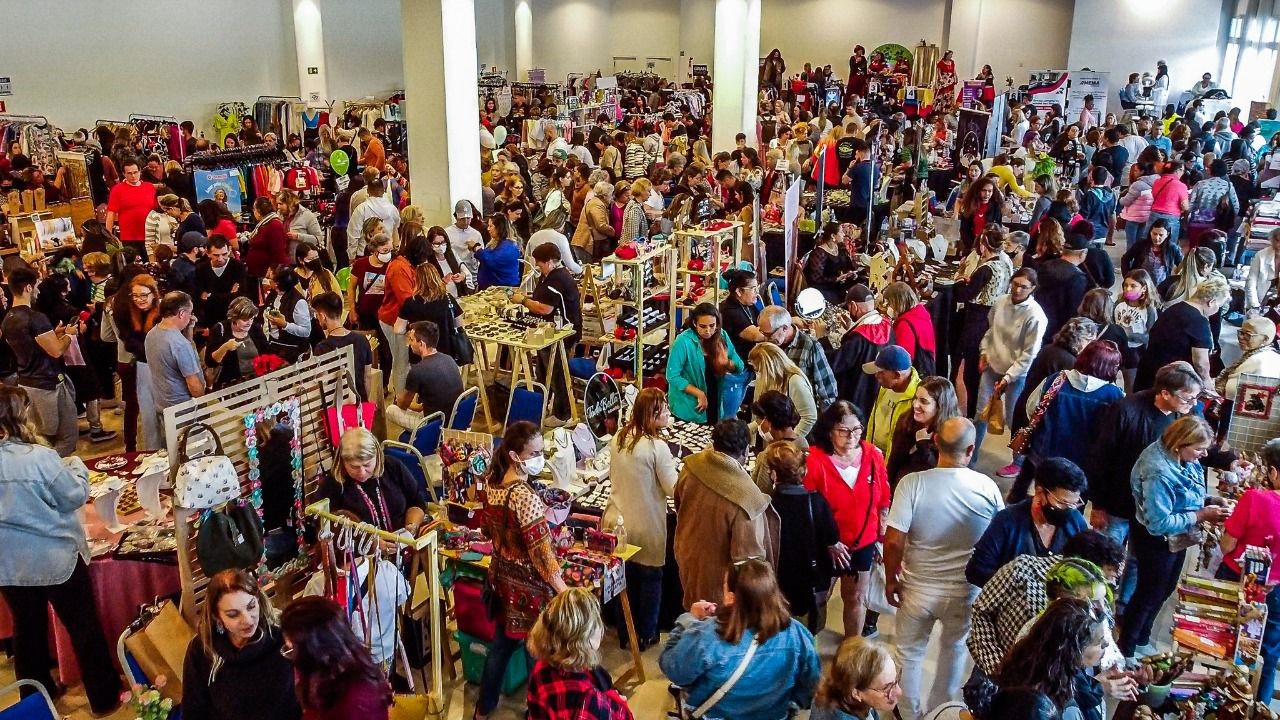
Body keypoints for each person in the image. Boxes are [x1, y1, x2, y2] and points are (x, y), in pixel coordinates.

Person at [0, 386, 123, 714]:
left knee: (27, 631)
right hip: (55, 558)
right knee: (83, 626)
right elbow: (73, 496)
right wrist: (77, 467)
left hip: (9, 565)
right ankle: (104, 697)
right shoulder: (39, 459)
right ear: (20, 416)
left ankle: (35, 701)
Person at [884, 417, 1003, 720]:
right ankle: (940, 710)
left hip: (917, 588)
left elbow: (894, 540)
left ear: (935, 441)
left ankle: (908, 713)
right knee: (954, 650)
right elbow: (997, 539)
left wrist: (891, 578)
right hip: (965, 592)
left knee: (909, 653)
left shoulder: (912, 484)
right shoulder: (987, 488)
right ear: (971, 449)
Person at [476, 422, 570, 719]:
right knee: (537, 656)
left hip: (502, 581)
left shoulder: (492, 484)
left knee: (501, 647)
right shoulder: (524, 497)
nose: (540, 458)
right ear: (516, 456)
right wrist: (564, 590)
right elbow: (542, 554)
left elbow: (486, 529)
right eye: (534, 453)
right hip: (531, 590)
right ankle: (538, 711)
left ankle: (482, 710)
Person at [1119, 416, 1232, 658]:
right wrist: (1201, 515)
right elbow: (1158, 522)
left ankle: (1142, 636)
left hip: (1178, 536)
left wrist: (1209, 501)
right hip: (1155, 539)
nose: (1204, 455)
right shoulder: (1157, 471)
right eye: (1199, 449)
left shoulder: (1183, 458)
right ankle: (1126, 648)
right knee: (1148, 593)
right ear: (1180, 443)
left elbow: (1184, 495)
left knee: (1165, 588)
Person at [660, 559, 821, 719]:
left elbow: (675, 671)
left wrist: (689, 619)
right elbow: (810, 682)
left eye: (724, 586)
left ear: (731, 597)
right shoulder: (797, 632)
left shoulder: (707, 635)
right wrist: (791, 705)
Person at [968, 531, 1126, 690]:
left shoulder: (1098, 596)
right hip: (998, 680)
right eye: (1104, 577)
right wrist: (998, 666)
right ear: (1079, 568)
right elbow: (981, 611)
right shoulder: (1022, 570)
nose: (1101, 606)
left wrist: (1101, 681)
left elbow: (1101, 646)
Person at [805, 401, 891, 639]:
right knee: (818, 597)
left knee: (855, 598)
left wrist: (881, 538)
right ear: (829, 431)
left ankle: (852, 648)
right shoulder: (814, 460)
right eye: (844, 431)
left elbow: (883, 499)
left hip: (863, 541)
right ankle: (809, 645)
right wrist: (830, 542)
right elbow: (809, 510)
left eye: (857, 429)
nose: (852, 436)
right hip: (826, 546)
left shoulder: (872, 455)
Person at [601, 388, 676, 649]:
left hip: (617, 520)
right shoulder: (657, 448)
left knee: (625, 581)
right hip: (647, 525)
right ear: (652, 415)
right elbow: (673, 488)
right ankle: (646, 633)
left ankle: (625, 632)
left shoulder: (619, 438)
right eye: (664, 410)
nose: (668, 413)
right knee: (650, 580)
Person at [675, 418, 773, 608]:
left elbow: (679, 504)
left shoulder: (691, 467)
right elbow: (749, 562)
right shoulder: (747, 497)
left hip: (688, 560)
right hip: (720, 587)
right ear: (746, 451)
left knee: (694, 611)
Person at [182, 569, 299, 720]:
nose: (248, 620)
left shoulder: (282, 636)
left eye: (251, 606)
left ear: (258, 599)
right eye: (233, 614)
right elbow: (193, 711)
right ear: (217, 616)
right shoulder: (202, 649)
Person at [1216, 438, 1280, 700]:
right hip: (1277, 591)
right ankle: (1260, 706)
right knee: (1269, 653)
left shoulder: (1255, 499)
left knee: (1223, 641)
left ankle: (1220, 698)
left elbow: (1227, 545)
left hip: (1238, 579)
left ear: (1273, 472)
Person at [967, 457, 1090, 587]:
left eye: (1074, 504)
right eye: (1062, 502)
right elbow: (976, 571)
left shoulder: (1076, 521)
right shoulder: (1007, 522)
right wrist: (1021, 587)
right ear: (1040, 492)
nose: (1069, 509)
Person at [1, 267, 81, 456]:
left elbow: (29, 344)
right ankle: (51, 466)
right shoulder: (35, 317)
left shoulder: (7, 319)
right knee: (64, 437)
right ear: (28, 287)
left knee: (43, 436)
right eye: (36, 285)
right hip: (47, 384)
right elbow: (56, 351)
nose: (37, 290)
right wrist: (69, 335)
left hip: (27, 381)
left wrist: (55, 334)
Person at [764, 440, 839, 630]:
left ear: (774, 474)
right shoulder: (817, 502)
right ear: (803, 471)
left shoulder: (767, 506)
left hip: (779, 584)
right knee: (807, 633)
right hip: (811, 583)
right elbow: (832, 537)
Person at [972, 267, 1047, 456]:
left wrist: (1008, 378)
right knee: (981, 413)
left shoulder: (1035, 315)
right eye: (1015, 284)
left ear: (1033, 288)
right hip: (992, 365)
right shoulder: (1000, 302)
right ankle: (970, 456)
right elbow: (991, 331)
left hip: (1017, 373)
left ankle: (1018, 461)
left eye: (1023, 287)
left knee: (1014, 418)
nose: (1017, 290)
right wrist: (984, 352)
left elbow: (1029, 354)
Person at [526, 589, 634, 720]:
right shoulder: (588, 702)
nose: (601, 627)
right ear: (585, 639)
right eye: (596, 622)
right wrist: (617, 705)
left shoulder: (541, 667)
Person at [279, 596, 392, 720]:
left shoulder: (355, 702)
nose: (292, 658)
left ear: (317, 650)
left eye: (293, 648)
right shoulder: (325, 673)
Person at [995, 598, 1108, 720]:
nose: (1106, 644)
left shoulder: (1025, 661)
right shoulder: (1056, 707)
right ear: (1074, 651)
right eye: (1099, 642)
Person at [510, 242, 582, 422]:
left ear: (549, 262)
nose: (537, 266)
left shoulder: (557, 280)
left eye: (539, 263)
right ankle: (541, 406)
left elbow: (545, 308)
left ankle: (562, 414)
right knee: (543, 373)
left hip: (562, 334)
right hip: (551, 332)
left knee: (557, 374)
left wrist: (523, 300)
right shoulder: (551, 275)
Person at [318, 427, 426, 535]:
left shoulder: (392, 466)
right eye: (354, 467)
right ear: (342, 462)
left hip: (404, 541)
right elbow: (324, 527)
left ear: (377, 455)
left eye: (367, 465)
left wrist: (412, 526)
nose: (362, 473)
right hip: (360, 545)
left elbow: (417, 501)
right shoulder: (334, 484)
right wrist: (372, 542)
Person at [955, 228, 1014, 414]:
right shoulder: (1005, 265)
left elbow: (964, 295)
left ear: (982, 246)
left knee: (970, 369)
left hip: (977, 320)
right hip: (995, 319)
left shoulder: (985, 269)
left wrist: (960, 278)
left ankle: (972, 410)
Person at [1135, 275, 1228, 389]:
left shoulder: (1174, 308)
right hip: (1168, 380)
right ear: (1211, 302)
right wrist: (1207, 382)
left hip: (1147, 370)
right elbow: (1200, 363)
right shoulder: (1199, 322)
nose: (1217, 310)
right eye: (1219, 306)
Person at [667, 303, 745, 424]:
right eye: (703, 326)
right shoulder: (683, 341)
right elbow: (672, 375)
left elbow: (739, 366)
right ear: (694, 323)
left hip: (714, 399)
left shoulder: (722, 335)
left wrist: (727, 363)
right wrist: (698, 393)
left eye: (712, 325)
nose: (708, 331)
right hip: (688, 405)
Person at [379, 233, 431, 395]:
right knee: (401, 361)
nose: (424, 262)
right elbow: (406, 300)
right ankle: (400, 398)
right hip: (393, 319)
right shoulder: (399, 268)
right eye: (423, 258)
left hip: (404, 319)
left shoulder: (408, 265)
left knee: (406, 361)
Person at [388, 320, 463, 433]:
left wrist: (398, 398)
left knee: (391, 410)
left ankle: (420, 436)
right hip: (455, 417)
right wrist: (417, 407)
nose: (409, 343)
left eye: (412, 339)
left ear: (421, 344)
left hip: (435, 424)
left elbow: (403, 405)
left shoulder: (417, 371)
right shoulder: (448, 359)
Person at [145, 291, 204, 430]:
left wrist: (189, 328)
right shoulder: (179, 344)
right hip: (184, 411)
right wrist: (202, 401)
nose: (192, 317)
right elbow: (193, 384)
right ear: (182, 313)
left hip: (163, 406)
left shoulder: (151, 334)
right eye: (190, 313)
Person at [887, 377, 961, 487]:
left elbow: (943, 475)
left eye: (924, 401)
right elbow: (894, 461)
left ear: (940, 406)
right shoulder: (906, 421)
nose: (915, 405)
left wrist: (923, 444)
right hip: (903, 487)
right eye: (915, 398)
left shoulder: (953, 433)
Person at [810, 637, 902, 720]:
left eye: (896, 680)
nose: (899, 692)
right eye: (887, 688)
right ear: (856, 693)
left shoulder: (836, 689)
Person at [863, 345, 921, 462]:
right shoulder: (885, 387)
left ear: (897, 375)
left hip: (893, 463)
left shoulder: (918, 397)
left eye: (881, 372)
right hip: (873, 456)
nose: (876, 375)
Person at [396, 262, 465, 362]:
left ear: (417, 280)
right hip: (446, 350)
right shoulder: (448, 298)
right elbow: (459, 323)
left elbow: (398, 329)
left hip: (420, 351)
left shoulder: (411, 302)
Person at [749, 342, 817, 441]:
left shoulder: (795, 381)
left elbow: (809, 417)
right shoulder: (768, 380)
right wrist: (746, 430)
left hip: (793, 444)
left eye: (759, 370)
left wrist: (789, 440)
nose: (758, 374)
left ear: (770, 367)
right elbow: (763, 418)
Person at [312, 292, 373, 401]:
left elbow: (322, 385)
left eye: (317, 315)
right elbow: (367, 377)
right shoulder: (362, 340)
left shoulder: (322, 348)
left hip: (337, 405)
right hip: (359, 402)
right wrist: (364, 402)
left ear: (323, 316)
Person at [347, 232, 393, 374]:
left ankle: (384, 382)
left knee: (386, 352)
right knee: (365, 349)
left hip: (385, 315)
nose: (388, 254)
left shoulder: (392, 265)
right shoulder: (361, 264)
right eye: (385, 250)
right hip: (365, 313)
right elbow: (351, 288)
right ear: (374, 250)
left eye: (390, 250)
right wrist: (352, 310)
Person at [1035, 231, 1091, 342]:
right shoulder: (1077, 278)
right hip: (1057, 332)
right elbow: (1073, 309)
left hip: (1037, 320)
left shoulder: (1044, 266)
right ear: (1083, 254)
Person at [205, 296, 270, 390]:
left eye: (251, 319)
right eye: (245, 320)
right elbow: (210, 362)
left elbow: (267, 352)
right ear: (234, 318)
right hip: (231, 387)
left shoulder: (255, 328)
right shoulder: (219, 329)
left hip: (257, 383)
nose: (249, 323)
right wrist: (225, 347)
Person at [1114, 269, 1162, 391]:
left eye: (1133, 286)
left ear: (1144, 288)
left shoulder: (1149, 309)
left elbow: (1151, 335)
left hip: (1135, 352)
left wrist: (1130, 335)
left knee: (1130, 385)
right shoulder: (1119, 303)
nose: (1128, 289)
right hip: (1116, 348)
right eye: (1126, 285)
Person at [879, 283, 936, 377]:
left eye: (889, 303)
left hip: (912, 375)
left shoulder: (904, 325)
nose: (888, 307)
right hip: (927, 368)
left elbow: (901, 359)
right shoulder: (920, 314)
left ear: (898, 302)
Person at [105, 157, 157, 256]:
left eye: (135, 172)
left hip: (150, 236)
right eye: (129, 173)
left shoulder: (149, 187)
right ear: (124, 174)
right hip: (129, 238)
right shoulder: (117, 190)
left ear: (140, 171)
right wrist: (109, 236)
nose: (133, 176)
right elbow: (111, 214)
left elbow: (156, 210)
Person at [1219, 316, 1280, 401]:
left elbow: (1231, 391)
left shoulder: (1257, 360)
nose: (1241, 337)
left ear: (1265, 339)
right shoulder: (1273, 355)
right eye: (1241, 332)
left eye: (1248, 335)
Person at [194, 234, 246, 329]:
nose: (220, 259)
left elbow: (239, 298)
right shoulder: (201, 269)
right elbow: (199, 299)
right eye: (216, 255)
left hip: (232, 319)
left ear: (229, 250)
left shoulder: (238, 267)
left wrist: (210, 297)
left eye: (224, 254)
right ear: (207, 252)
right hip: (208, 320)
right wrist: (230, 294)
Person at [261, 267, 311, 361]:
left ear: (277, 284)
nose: (268, 281)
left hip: (290, 349)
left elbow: (306, 331)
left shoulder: (298, 302)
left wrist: (285, 324)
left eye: (271, 280)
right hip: (272, 344)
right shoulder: (272, 295)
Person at [719, 269, 767, 367]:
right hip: (741, 363)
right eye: (753, 289)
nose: (757, 292)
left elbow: (764, 319)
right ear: (739, 291)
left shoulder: (747, 303)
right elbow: (757, 336)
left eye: (757, 288)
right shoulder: (730, 311)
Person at [805, 222, 857, 305]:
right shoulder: (819, 253)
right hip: (823, 288)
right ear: (833, 236)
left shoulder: (840, 247)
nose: (844, 234)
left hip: (837, 285)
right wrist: (837, 279)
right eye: (841, 232)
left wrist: (850, 272)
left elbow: (848, 265)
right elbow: (816, 279)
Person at [1121, 219, 1183, 288]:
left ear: (1167, 234)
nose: (1157, 238)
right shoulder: (1141, 244)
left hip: (1161, 287)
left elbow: (1182, 265)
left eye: (1161, 235)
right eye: (1154, 234)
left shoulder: (1172, 248)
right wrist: (1128, 276)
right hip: (1139, 285)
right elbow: (1125, 259)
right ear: (1150, 232)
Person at [245, 197, 289, 295]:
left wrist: (272, 270)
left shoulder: (274, 225)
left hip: (266, 273)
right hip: (257, 271)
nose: (253, 212)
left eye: (254, 209)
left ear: (258, 211)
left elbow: (278, 251)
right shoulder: (264, 224)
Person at [347, 179, 399, 261]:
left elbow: (353, 234)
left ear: (367, 191)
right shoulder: (393, 209)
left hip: (365, 254)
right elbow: (396, 229)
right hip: (386, 252)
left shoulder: (361, 209)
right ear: (383, 190)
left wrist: (351, 256)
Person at [1145, 161, 1191, 245]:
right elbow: (1185, 206)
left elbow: (1154, 195)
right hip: (1171, 218)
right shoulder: (1180, 185)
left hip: (1154, 215)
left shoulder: (1157, 182)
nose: (1183, 173)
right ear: (1177, 170)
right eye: (1182, 171)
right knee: (1169, 244)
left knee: (1150, 242)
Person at [475, 214, 521, 289]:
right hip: (491, 288)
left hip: (505, 289)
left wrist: (477, 249)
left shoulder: (509, 246)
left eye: (491, 226)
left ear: (499, 228)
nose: (488, 229)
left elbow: (492, 260)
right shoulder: (495, 243)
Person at [276, 189, 322, 260]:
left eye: (281, 204)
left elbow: (318, 239)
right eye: (277, 204)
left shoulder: (307, 215)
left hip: (299, 261)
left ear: (290, 203)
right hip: (282, 261)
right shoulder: (279, 214)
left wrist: (298, 236)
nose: (278, 207)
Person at [1245, 227, 1280, 317]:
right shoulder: (1261, 255)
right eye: (1277, 240)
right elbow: (1251, 281)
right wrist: (1254, 305)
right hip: (1260, 300)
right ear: (1272, 240)